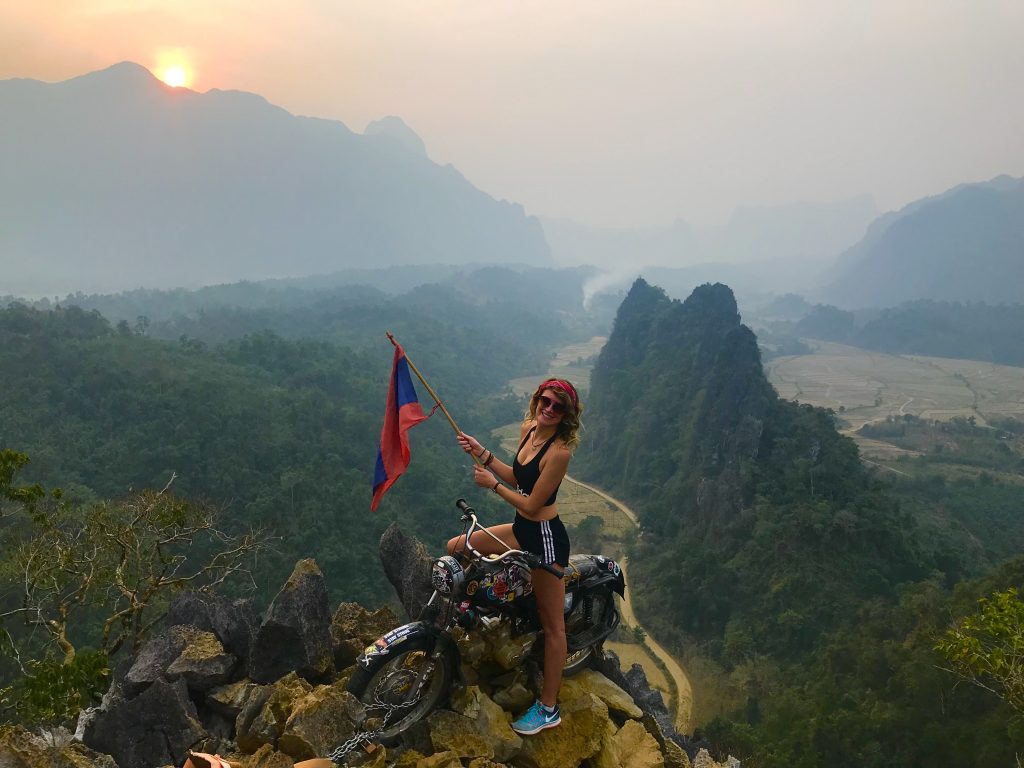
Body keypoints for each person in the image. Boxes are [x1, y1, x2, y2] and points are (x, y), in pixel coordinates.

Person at [448, 378, 583, 736]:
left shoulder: (559, 452)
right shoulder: (529, 430)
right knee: (456, 548)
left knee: (553, 627)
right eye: (546, 401)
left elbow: (532, 501)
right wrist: (483, 453)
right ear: (537, 399)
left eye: (558, 407)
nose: (549, 409)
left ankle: (548, 708)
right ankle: (473, 615)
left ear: (566, 415)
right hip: (522, 528)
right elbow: (519, 476)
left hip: (545, 540)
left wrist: (492, 485)